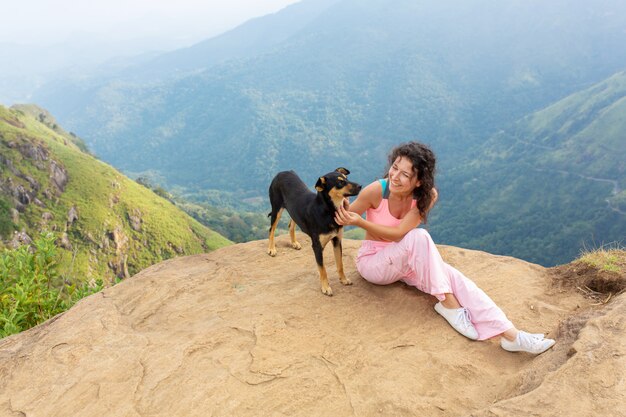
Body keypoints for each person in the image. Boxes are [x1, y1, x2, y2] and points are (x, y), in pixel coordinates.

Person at [334, 141, 555, 354]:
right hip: (374, 263)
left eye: (405, 174)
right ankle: (448, 304)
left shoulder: (427, 196)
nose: (395, 176)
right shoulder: (376, 191)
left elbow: (401, 233)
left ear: (419, 181)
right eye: (394, 167)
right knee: (419, 237)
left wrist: (360, 221)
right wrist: (343, 209)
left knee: (459, 281)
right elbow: (343, 216)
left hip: (405, 260)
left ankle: (512, 336)